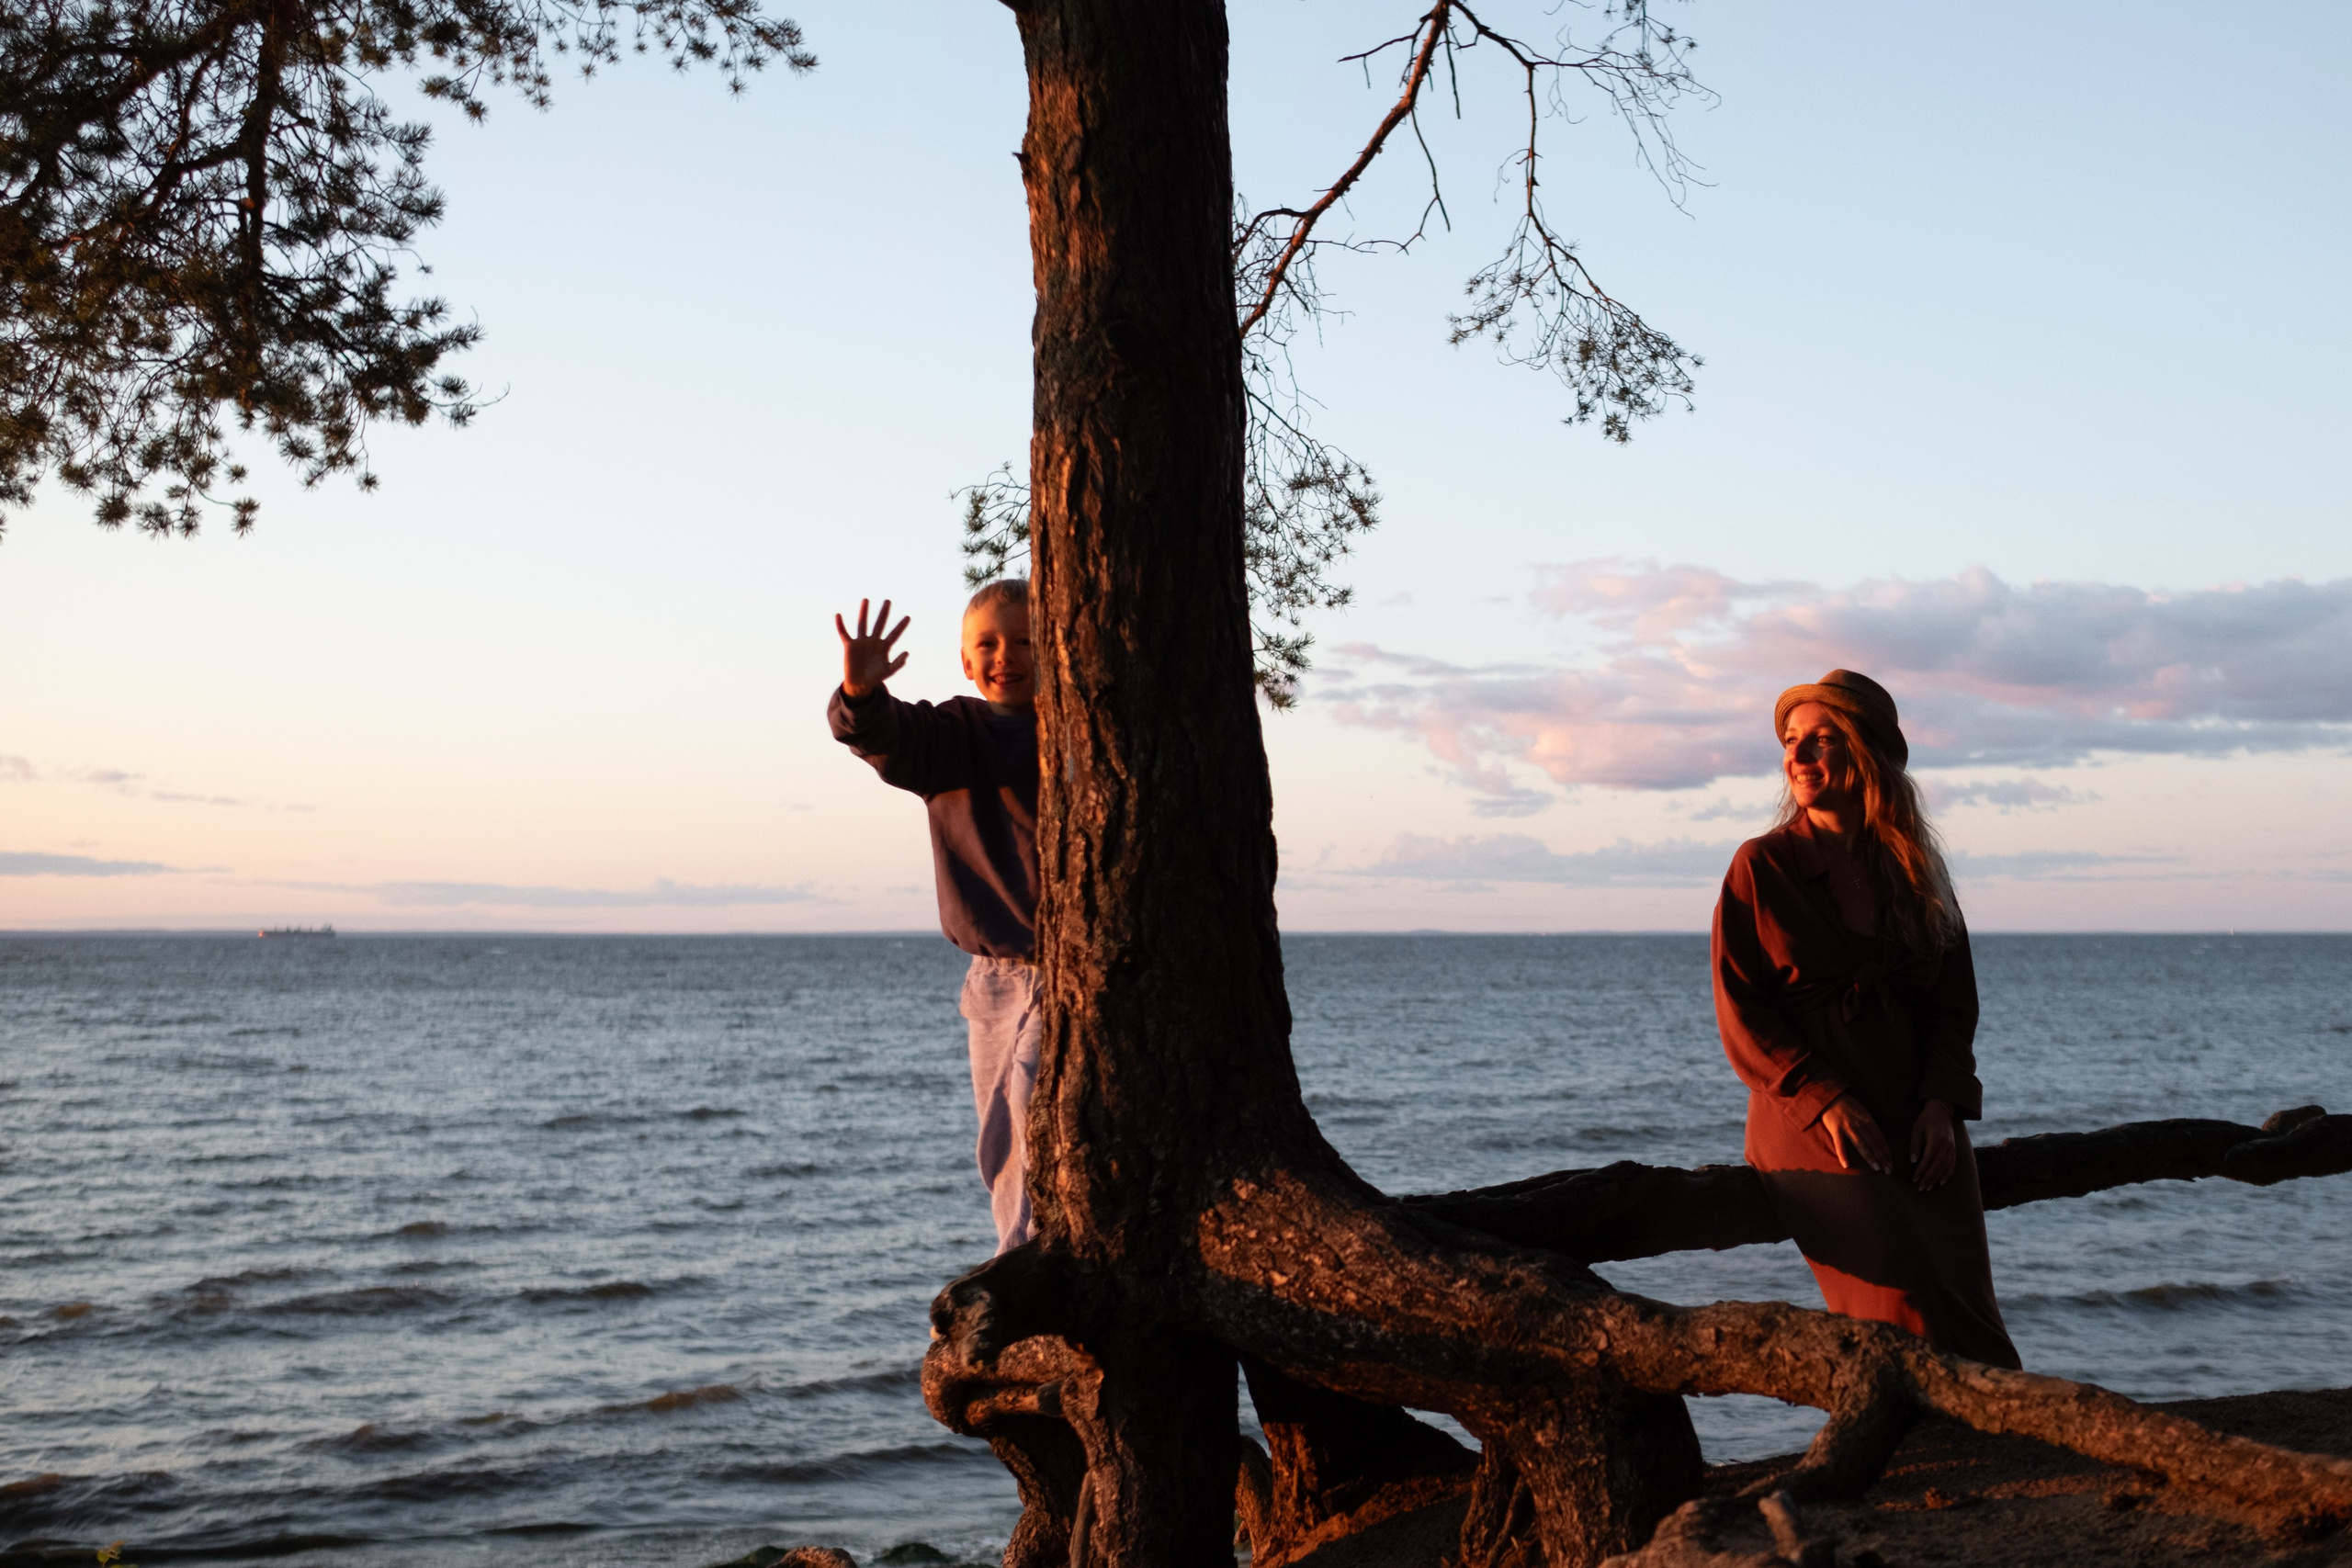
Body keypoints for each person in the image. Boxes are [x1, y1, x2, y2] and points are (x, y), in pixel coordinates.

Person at [1711, 669, 2021, 1368]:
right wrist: (1824, 1100)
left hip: (1917, 1113)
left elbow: (1953, 1005)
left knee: (1970, 1311)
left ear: (1867, 753)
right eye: (1791, 741)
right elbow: (1742, 1014)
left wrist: (1942, 1104)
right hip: (1810, 1119)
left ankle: (2008, 1429)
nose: (1798, 756)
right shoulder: (1761, 866)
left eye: (1821, 740)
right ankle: (1909, 1433)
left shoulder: (1915, 869)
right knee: (1903, 1307)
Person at [829, 581, 1040, 1253]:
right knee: (998, 1132)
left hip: (1071, 970)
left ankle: (1026, 1249)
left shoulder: (1080, 732)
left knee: (1033, 1100)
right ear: (966, 662)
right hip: (994, 976)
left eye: (1026, 640)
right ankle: (1015, 1244)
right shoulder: (953, 735)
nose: (1006, 655)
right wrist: (861, 693)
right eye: (989, 643)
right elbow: (882, 735)